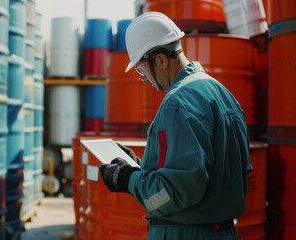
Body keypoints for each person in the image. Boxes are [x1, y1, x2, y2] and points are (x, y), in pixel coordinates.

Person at [99, 12, 252, 240]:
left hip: (185, 233)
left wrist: (127, 179)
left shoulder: (177, 103)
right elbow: (218, 172)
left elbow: (174, 192)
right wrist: (141, 167)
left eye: (142, 69)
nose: (144, 78)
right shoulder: (223, 95)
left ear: (161, 60)